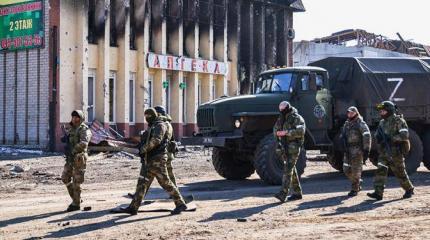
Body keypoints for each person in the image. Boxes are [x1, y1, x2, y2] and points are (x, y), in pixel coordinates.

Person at [115, 108, 188, 215]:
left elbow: (156, 140)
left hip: (157, 159)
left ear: (153, 115)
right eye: (145, 117)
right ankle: (133, 207)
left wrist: (143, 149)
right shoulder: (154, 125)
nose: (147, 119)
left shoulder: (160, 125)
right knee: (142, 184)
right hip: (148, 159)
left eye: (148, 116)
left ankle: (180, 204)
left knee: (165, 183)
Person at [368, 101, 414, 200]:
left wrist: (392, 138)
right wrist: (378, 137)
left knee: (399, 172)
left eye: (383, 111)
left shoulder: (399, 121)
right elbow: (377, 134)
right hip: (384, 151)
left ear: (389, 110)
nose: (381, 113)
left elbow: (405, 135)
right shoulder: (382, 122)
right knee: (380, 170)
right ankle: (378, 193)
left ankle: (409, 189)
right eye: (380, 111)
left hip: (395, 151)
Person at [273, 101, 306, 203]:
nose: (281, 111)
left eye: (283, 109)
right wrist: (277, 134)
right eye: (280, 110)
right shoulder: (281, 118)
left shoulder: (297, 118)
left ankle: (283, 194)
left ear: (288, 108)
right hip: (284, 147)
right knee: (292, 169)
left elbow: (301, 131)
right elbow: (275, 129)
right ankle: (297, 193)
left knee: (288, 170)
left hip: (293, 147)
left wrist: (287, 133)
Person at [61, 110, 92, 212]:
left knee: (76, 181)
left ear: (81, 118)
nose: (74, 119)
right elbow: (69, 140)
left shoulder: (84, 129)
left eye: (77, 117)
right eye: (73, 117)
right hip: (70, 158)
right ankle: (76, 198)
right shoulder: (71, 129)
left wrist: (74, 149)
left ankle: (76, 204)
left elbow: (84, 143)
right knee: (65, 178)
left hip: (79, 158)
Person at [340, 106, 371, 197]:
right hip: (348, 150)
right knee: (346, 169)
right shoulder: (347, 123)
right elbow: (344, 135)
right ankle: (357, 182)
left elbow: (367, 135)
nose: (350, 114)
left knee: (356, 170)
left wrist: (366, 149)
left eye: (352, 112)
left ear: (356, 113)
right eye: (348, 112)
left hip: (357, 151)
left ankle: (354, 189)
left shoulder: (360, 123)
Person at [154, 105, 178, 186]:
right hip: (166, 152)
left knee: (149, 173)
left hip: (163, 152)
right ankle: (139, 194)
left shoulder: (163, 124)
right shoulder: (167, 123)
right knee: (149, 174)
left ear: (159, 114)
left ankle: (175, 193)